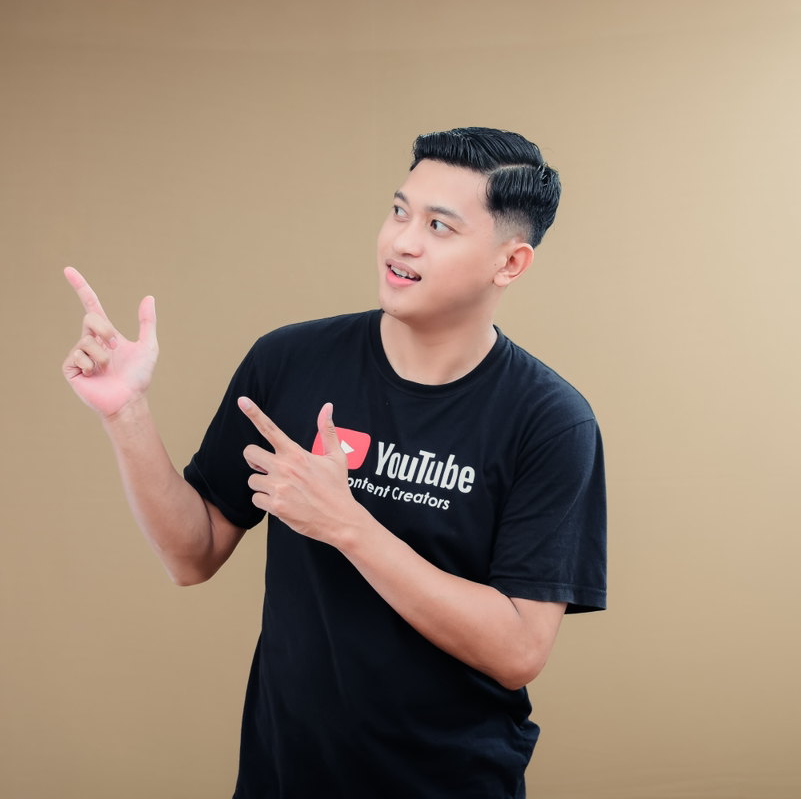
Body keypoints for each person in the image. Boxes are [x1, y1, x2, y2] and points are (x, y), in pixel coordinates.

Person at [62, 127, 606, 798]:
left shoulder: (549, 421)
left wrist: (347, 526)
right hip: (281, 778)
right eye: (400, 211)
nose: (402, 240)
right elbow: (191, 554)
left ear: (510, 263)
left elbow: (518, 651)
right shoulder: (290, 361)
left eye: (439, 226)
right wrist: (126, 414)